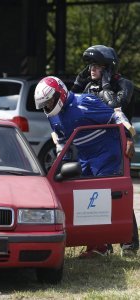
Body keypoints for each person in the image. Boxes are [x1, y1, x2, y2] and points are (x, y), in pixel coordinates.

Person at [34, 76, 136, 257]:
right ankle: (99, 246)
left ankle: (129, 244)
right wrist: (60, 166)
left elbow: (115, 114)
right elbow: (61, 143)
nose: (47, 107)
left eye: (49, 102)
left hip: (107, 153)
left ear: (60, 94)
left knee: (112, 200)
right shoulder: (53, 116)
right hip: (85, 157)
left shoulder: (84, 103)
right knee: (87, 203)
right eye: (44, 104)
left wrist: (128, 138)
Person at [71, 45, 139, 257]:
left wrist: (106, 83)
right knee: (91, 195)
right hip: (92, 147)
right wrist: (78, 83)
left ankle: (130, 243)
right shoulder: (88, 86)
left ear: (108, 68)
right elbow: (72, 105)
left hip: (115, 144)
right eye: (90, 65)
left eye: (97, 66)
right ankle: (101, 244)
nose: (92, 69)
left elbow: (116, 106)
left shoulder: (124, 85)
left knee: (117, 193)